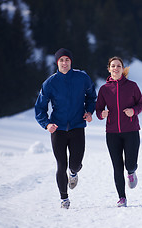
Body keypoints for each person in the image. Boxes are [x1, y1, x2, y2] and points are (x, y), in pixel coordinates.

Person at [35, 48, 97, 209]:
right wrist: (47, 124)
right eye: (61, 60)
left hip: (77, 126)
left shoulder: (82, 78)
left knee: (75, 164)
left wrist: (89, 111)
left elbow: (91, 97)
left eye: (67, 60)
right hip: (58, 129)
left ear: (71, 61)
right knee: (61, 164)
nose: (64, 63)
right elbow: (39, 108)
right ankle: (64, 199)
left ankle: (74, 173)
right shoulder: (50, 83)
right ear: (57, 63)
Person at [96, 56, 142, 207]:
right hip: (112, 133)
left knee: (129, 164)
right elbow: (98, 109)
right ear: (109, 69)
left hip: (131, 131)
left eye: (118, 66)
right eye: (113, 66)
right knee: (117, 166)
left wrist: (133, 110)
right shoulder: (104, 89)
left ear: (123, 69)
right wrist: (101, 114)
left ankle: (131, 172)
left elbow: (141, 103)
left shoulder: (132, 86)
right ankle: (122, 197)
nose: (116, 68)